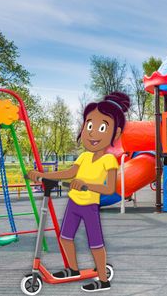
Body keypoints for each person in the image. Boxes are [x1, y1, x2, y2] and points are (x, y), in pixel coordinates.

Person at [28, 92, 130, 292]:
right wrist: (43, 175)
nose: (93, 133)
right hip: (74, 203)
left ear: (115, 134)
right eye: (89, 126)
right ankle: (72, 269)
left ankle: (103, 280)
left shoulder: (108, 160)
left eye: (102, 128)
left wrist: (86, 185)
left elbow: (109, 188)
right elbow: (69, 173)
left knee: (95, 243)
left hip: (89, 206)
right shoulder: (83, 157)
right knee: (65, 238)